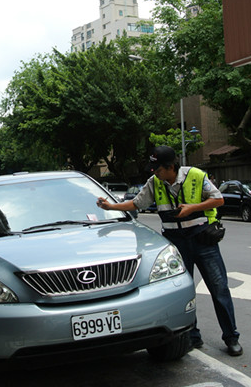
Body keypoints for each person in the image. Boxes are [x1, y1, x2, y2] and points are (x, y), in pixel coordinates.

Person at [96, 146, 242, 356]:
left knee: (219, 289)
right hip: (175, 243)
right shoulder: (154, 183)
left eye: (157, 168)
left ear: (170, 167)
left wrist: (192, 208)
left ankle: (231, 337)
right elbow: (137, 203)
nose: (154, 172)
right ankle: (193, 336)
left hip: (202, 240)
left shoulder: (195, 175)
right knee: (183, 291)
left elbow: (219, 199)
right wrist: (111, 207)